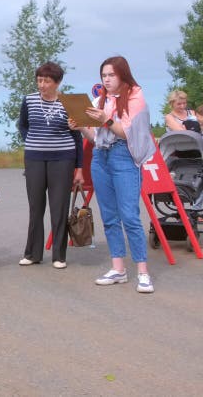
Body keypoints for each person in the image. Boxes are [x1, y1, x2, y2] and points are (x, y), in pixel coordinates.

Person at [69, 56, 156, 293]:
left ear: (122, 75)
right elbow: (94, 137)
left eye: (111, 75)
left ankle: (143, 272)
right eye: (103, 76)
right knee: (109, 216)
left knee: (129, 215)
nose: (107, 80)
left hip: (124, 156)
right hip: (101, 156)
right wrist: (80, 127)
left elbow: (129, 134)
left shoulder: (136, 97)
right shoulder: (100, 99)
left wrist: (106, 120)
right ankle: (118, 268)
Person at [16, 62, 84, 269]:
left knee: (59, 207)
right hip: (34, 158)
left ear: (57, 82)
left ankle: (59, 256)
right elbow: (23, 124)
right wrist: (32, 140)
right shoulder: (29, 100)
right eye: (39, 80)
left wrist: (79, 168)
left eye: (46, 81)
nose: (42, 85)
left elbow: (77, 136)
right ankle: (33, 253)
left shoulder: (69, 102)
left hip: (63, 159)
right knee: (36, 207)